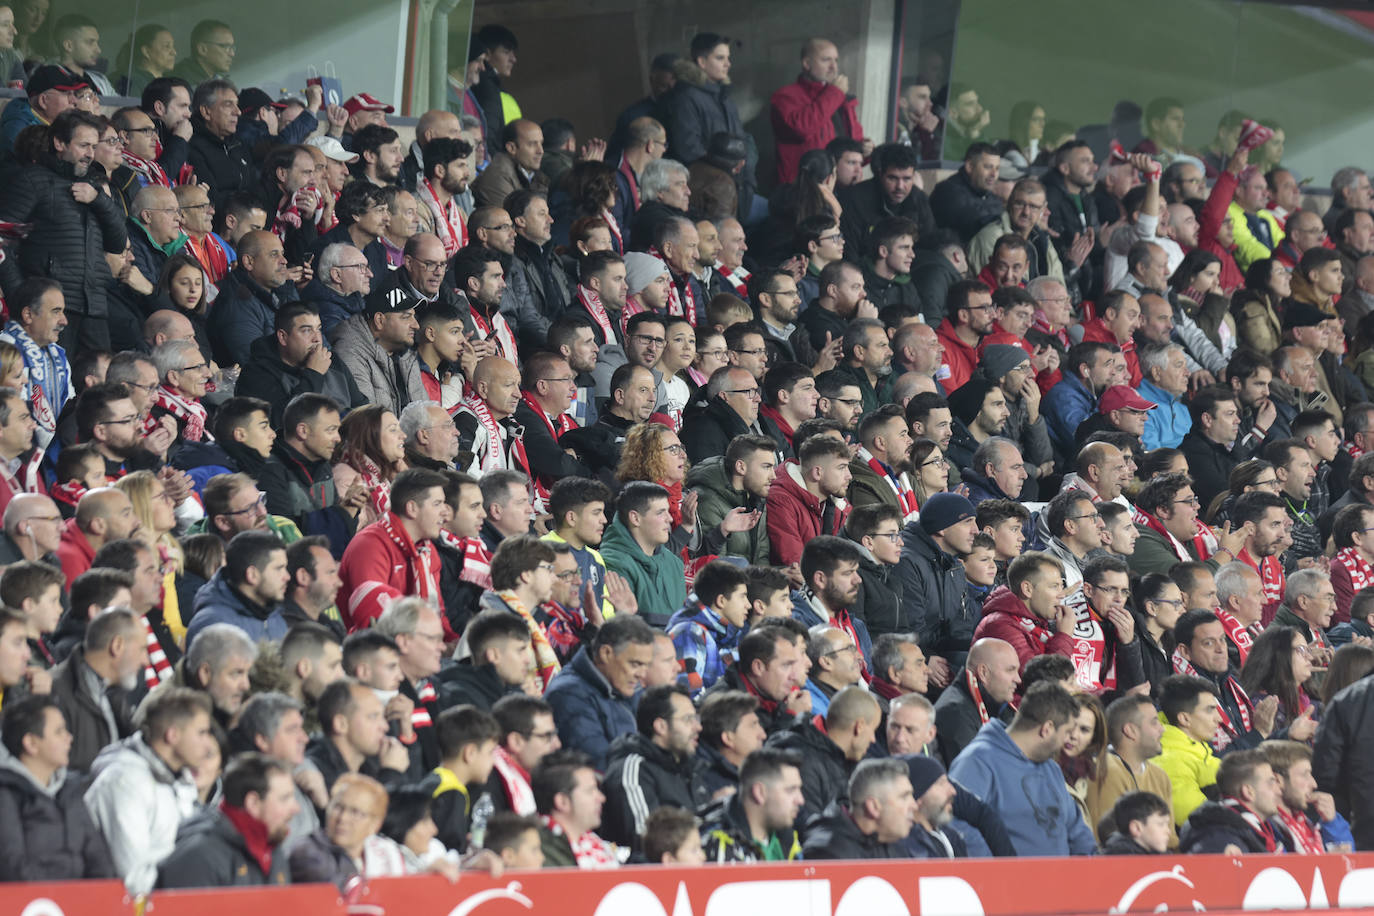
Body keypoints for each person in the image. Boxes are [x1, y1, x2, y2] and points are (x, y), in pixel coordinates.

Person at [0, 111, 127, 352]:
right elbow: (2, 239)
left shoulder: (95, 186)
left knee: (98, 375)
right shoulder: (33, 180)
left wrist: (99, 201)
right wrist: (21, 295)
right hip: (49, 309)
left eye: (93, 146)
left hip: (95, 307)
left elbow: (118, 243)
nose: (90, 154)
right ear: (59, 143)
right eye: (83, 145)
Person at [84, 687, 213, 895]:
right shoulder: (123, 782)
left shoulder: (181, 780)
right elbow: (134, 878)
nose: (208, 746)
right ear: (172, 735)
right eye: (202, 733)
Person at [949, 682, 1097, 855]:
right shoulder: (976, 762)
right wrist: (998, 869)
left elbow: (1078, 833)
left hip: (1063, 873)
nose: (1066, 740)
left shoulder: (1051, 769)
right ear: (1047, 729)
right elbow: (958, 828)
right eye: (1066, 732)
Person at [0, 695, 116, 880]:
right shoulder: (6, 794)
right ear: (31, 743)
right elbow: (12, 869)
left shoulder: (71, 792)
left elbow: (100, 862)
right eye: (59, 731)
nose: (69, 738)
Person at [155, 752, 297, 889]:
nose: (296, 808)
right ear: (253, 803)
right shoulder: (199, 857)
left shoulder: (271, 849)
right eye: (285, 799)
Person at [336, 468, 448, 632]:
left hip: (414, 637)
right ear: (412, 508)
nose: (445, 512)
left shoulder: (426, 550)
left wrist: (449, 639)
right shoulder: (370, 546)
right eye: (437, 504)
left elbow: (438, 612)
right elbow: (373, 620)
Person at [543, 615, 655, 770]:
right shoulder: (568, 696)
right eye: (635, 664)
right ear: (606, 653)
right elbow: (600, 766)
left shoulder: (623, 684)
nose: (642, 675)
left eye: (646, 665)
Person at [600, 684, 699, 848]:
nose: (698, 727)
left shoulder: (688, 765)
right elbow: (647, 842)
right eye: (688, 719)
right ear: (661, 726)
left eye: (696, 719)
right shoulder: (633, 769)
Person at [900, 492, 976, 681]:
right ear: (942, 528)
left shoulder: (954, 565)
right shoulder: (907, 563)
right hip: (910, 658)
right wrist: (924, 658)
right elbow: (906, 628)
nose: (976, 530)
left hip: (940, 652)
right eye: (968, 522)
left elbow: (960, 628)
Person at [1086, 694, 1174, 845]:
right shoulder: (1106, 771)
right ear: (1131, 731)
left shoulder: (1160, 776)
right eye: (1154, 722)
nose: (1162, 729)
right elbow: (1105, 841)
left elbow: (1170, 839)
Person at [700, 747, 804, 863]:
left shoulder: (787, 838)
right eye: (791, 790)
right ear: (760, 793)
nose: (800, 800)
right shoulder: (716, 843)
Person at [801, 757, 917, 860]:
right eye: (904, 797)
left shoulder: (891, 842)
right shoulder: (829, 855)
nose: (914, 806)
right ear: (873, 807)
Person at [837, 142, 936, 258]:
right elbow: (849, 254)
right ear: (880, 175)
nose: (900, 186)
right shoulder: (854, 200)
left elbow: (930, 249)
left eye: (907, 179)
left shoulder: (919, 199)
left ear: (914, 176)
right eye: (892, 178)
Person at [766, 434, 851, 567]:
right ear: (817, 472)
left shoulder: (834, 503)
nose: (849, 476)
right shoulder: (781, 501)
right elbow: (796, 565)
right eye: (841, 468)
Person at [1178, 748, 1283, 853]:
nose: (1279, 790)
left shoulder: (1258, 828)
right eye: (1271, 782)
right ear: (1248, 792)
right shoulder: (1219, 838)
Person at [531, 749, 617, 868]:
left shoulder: (592, 843)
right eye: (590, 791)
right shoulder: (539, 854)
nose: (601, 798)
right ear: (563, 802)